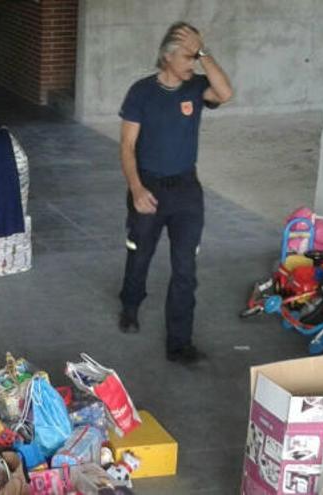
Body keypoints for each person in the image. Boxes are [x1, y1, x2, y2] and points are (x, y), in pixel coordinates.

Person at [116, 22, 233, 364]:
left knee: (185, 269)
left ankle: (179, 344)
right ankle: (130, 304)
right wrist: (136, 189)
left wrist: (204, 51)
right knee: (140, 254)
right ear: (167, 57)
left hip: (186, 190)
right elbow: (126, 146)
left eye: (196, 57)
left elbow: (225, 93)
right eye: (188, 56)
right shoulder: (141, 92)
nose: (193, 64)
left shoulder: (197, 88)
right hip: (149, 186)